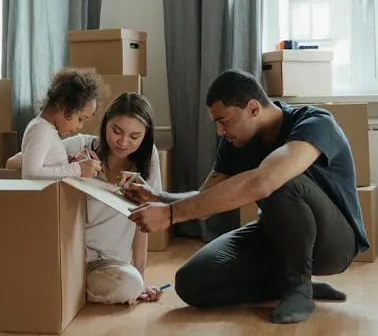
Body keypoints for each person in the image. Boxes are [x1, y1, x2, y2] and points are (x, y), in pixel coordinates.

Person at [123, 69, 368, 323]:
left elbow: (265, 181)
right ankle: (286, 284)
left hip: (335, 245)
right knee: (191, 283)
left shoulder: (315, 123)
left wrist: (171, 215)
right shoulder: (235, 142)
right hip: (277, 236)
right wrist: (158, 198)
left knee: (279, 180)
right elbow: (205, 200)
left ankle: (299, 287)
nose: (219, 131)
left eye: (224, 120)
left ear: (252, 108)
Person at [7, 92, 165, 304]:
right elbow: (13, 163)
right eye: (116, 131)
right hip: (69, 255)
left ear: (145, 136)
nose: (123, 142)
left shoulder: (148, 160)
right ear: (105, 124)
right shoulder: (81, 145)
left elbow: (143, 223)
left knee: (131, 285)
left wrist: (141, 280)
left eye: (134, 137)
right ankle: (65, 287)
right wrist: (70, 166)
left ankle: (64, 289)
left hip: (108, 264)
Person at [20, 67, 103, 180]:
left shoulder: (47, 130)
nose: (80, 126)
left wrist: (66, 163)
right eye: (80, 119)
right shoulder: (40, 131)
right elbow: (30, 174)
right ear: (62, 106)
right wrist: (76, 169)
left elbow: (47, 167)